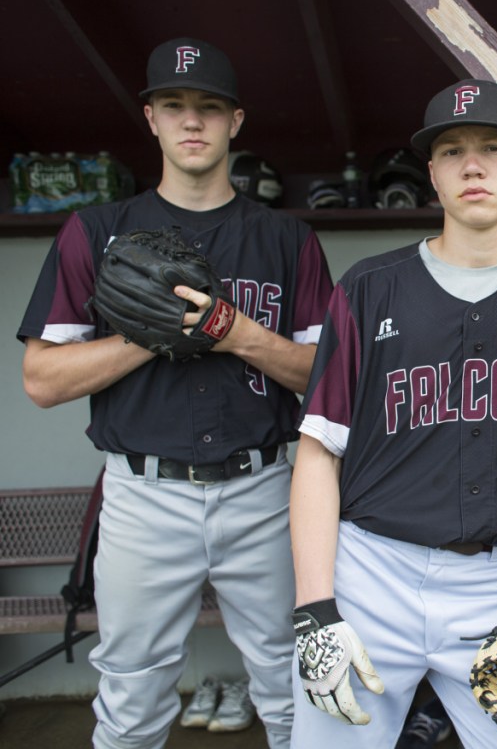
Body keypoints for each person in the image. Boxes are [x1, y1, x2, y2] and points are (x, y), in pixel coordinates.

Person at [17, 37, 334, 748]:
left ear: (235, 122)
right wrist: (146, 333)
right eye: (175, 106)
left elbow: (332, 379)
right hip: (143, 497)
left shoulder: (287, 240)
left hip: (265, 492)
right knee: (131, 700)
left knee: (295, 692)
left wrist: (235, 331)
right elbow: (41, 379)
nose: (193, 121)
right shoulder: (96, 231)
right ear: (152, 119)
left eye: (209, 108)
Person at [288, 78, 497, 747]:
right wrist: (316, 608)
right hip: (368, 574)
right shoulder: (368, 289)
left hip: (491, 582)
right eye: (452, 150)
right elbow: (319, 451)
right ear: (432, 174)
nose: (472, 164)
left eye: (493, 147)